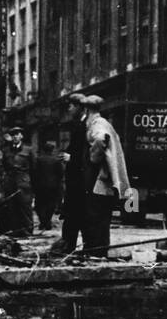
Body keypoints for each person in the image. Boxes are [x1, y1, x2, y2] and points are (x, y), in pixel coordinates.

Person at [82, 95, 132, 260]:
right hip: (107, 180)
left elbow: (101, 138)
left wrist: (93, 158)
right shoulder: (106, 123)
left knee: (95, 215)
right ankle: (100, 250)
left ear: (87, 110)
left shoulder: (98, 124)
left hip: (100, 180)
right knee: (102, 217)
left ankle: (95, 251)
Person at [51, 94, 88, 255]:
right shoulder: (78, 124)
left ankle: (71, 245)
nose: (69, 108)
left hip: (81, 180)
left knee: (76, 213)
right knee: (72, 213)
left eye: (72, 106)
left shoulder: (85, 125)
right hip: (75, 179)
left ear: (80, 107)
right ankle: (68, 244)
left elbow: (88, 152)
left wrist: (71, 158)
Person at [0, 126, 34, 236]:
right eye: (13, 134)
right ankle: (15, 230)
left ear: (21, 136)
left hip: (24, 182)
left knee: (25, 206)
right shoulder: (6, 150)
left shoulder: (28, 150)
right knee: (12, 206)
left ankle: (27, 230)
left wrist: (32, 183)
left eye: (17, 134)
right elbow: (4, 166)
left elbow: (34, 168)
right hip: (10, 181)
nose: (15, 136)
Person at [33, 141, 65, 232]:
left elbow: (35, 172)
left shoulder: (39, 159)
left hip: (40, 185)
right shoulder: (56, 160)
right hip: (53, 186)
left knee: (39, 204)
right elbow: (61, 173)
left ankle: (43, 222)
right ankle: (47, 222)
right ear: (52, 150)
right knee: (50, 204)